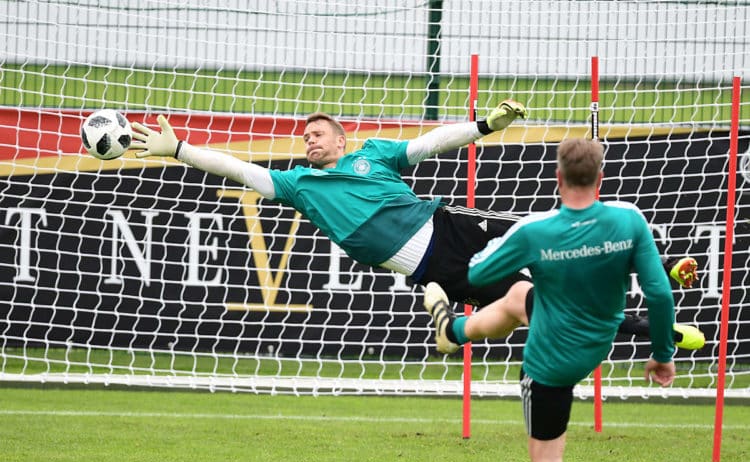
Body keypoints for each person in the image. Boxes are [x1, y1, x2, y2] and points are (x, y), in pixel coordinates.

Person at [129, 102, 702, 348]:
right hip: (436, 268)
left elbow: (427, 143)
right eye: (305, 136)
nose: (310, 139)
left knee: (552, 238)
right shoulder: (299, 187)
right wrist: (179, 147)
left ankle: (652, 285)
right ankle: (651, 324)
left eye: (319, 133)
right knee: (537, 301)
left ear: (343, 140)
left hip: (451, 230)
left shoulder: (373, 155)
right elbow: (238, 167)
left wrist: (481, 126)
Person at [426, 138, 678, 462]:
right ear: (600, 178)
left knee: (546, 457)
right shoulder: (630, 219)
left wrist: (498, 247)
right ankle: (454, 333)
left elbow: (477, 272)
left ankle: (455, 333)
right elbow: (659, 295)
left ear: (558, 178)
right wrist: (662, 355)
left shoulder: (535, 230)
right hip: (596, 342)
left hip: (550, 364)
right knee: (517, 296)